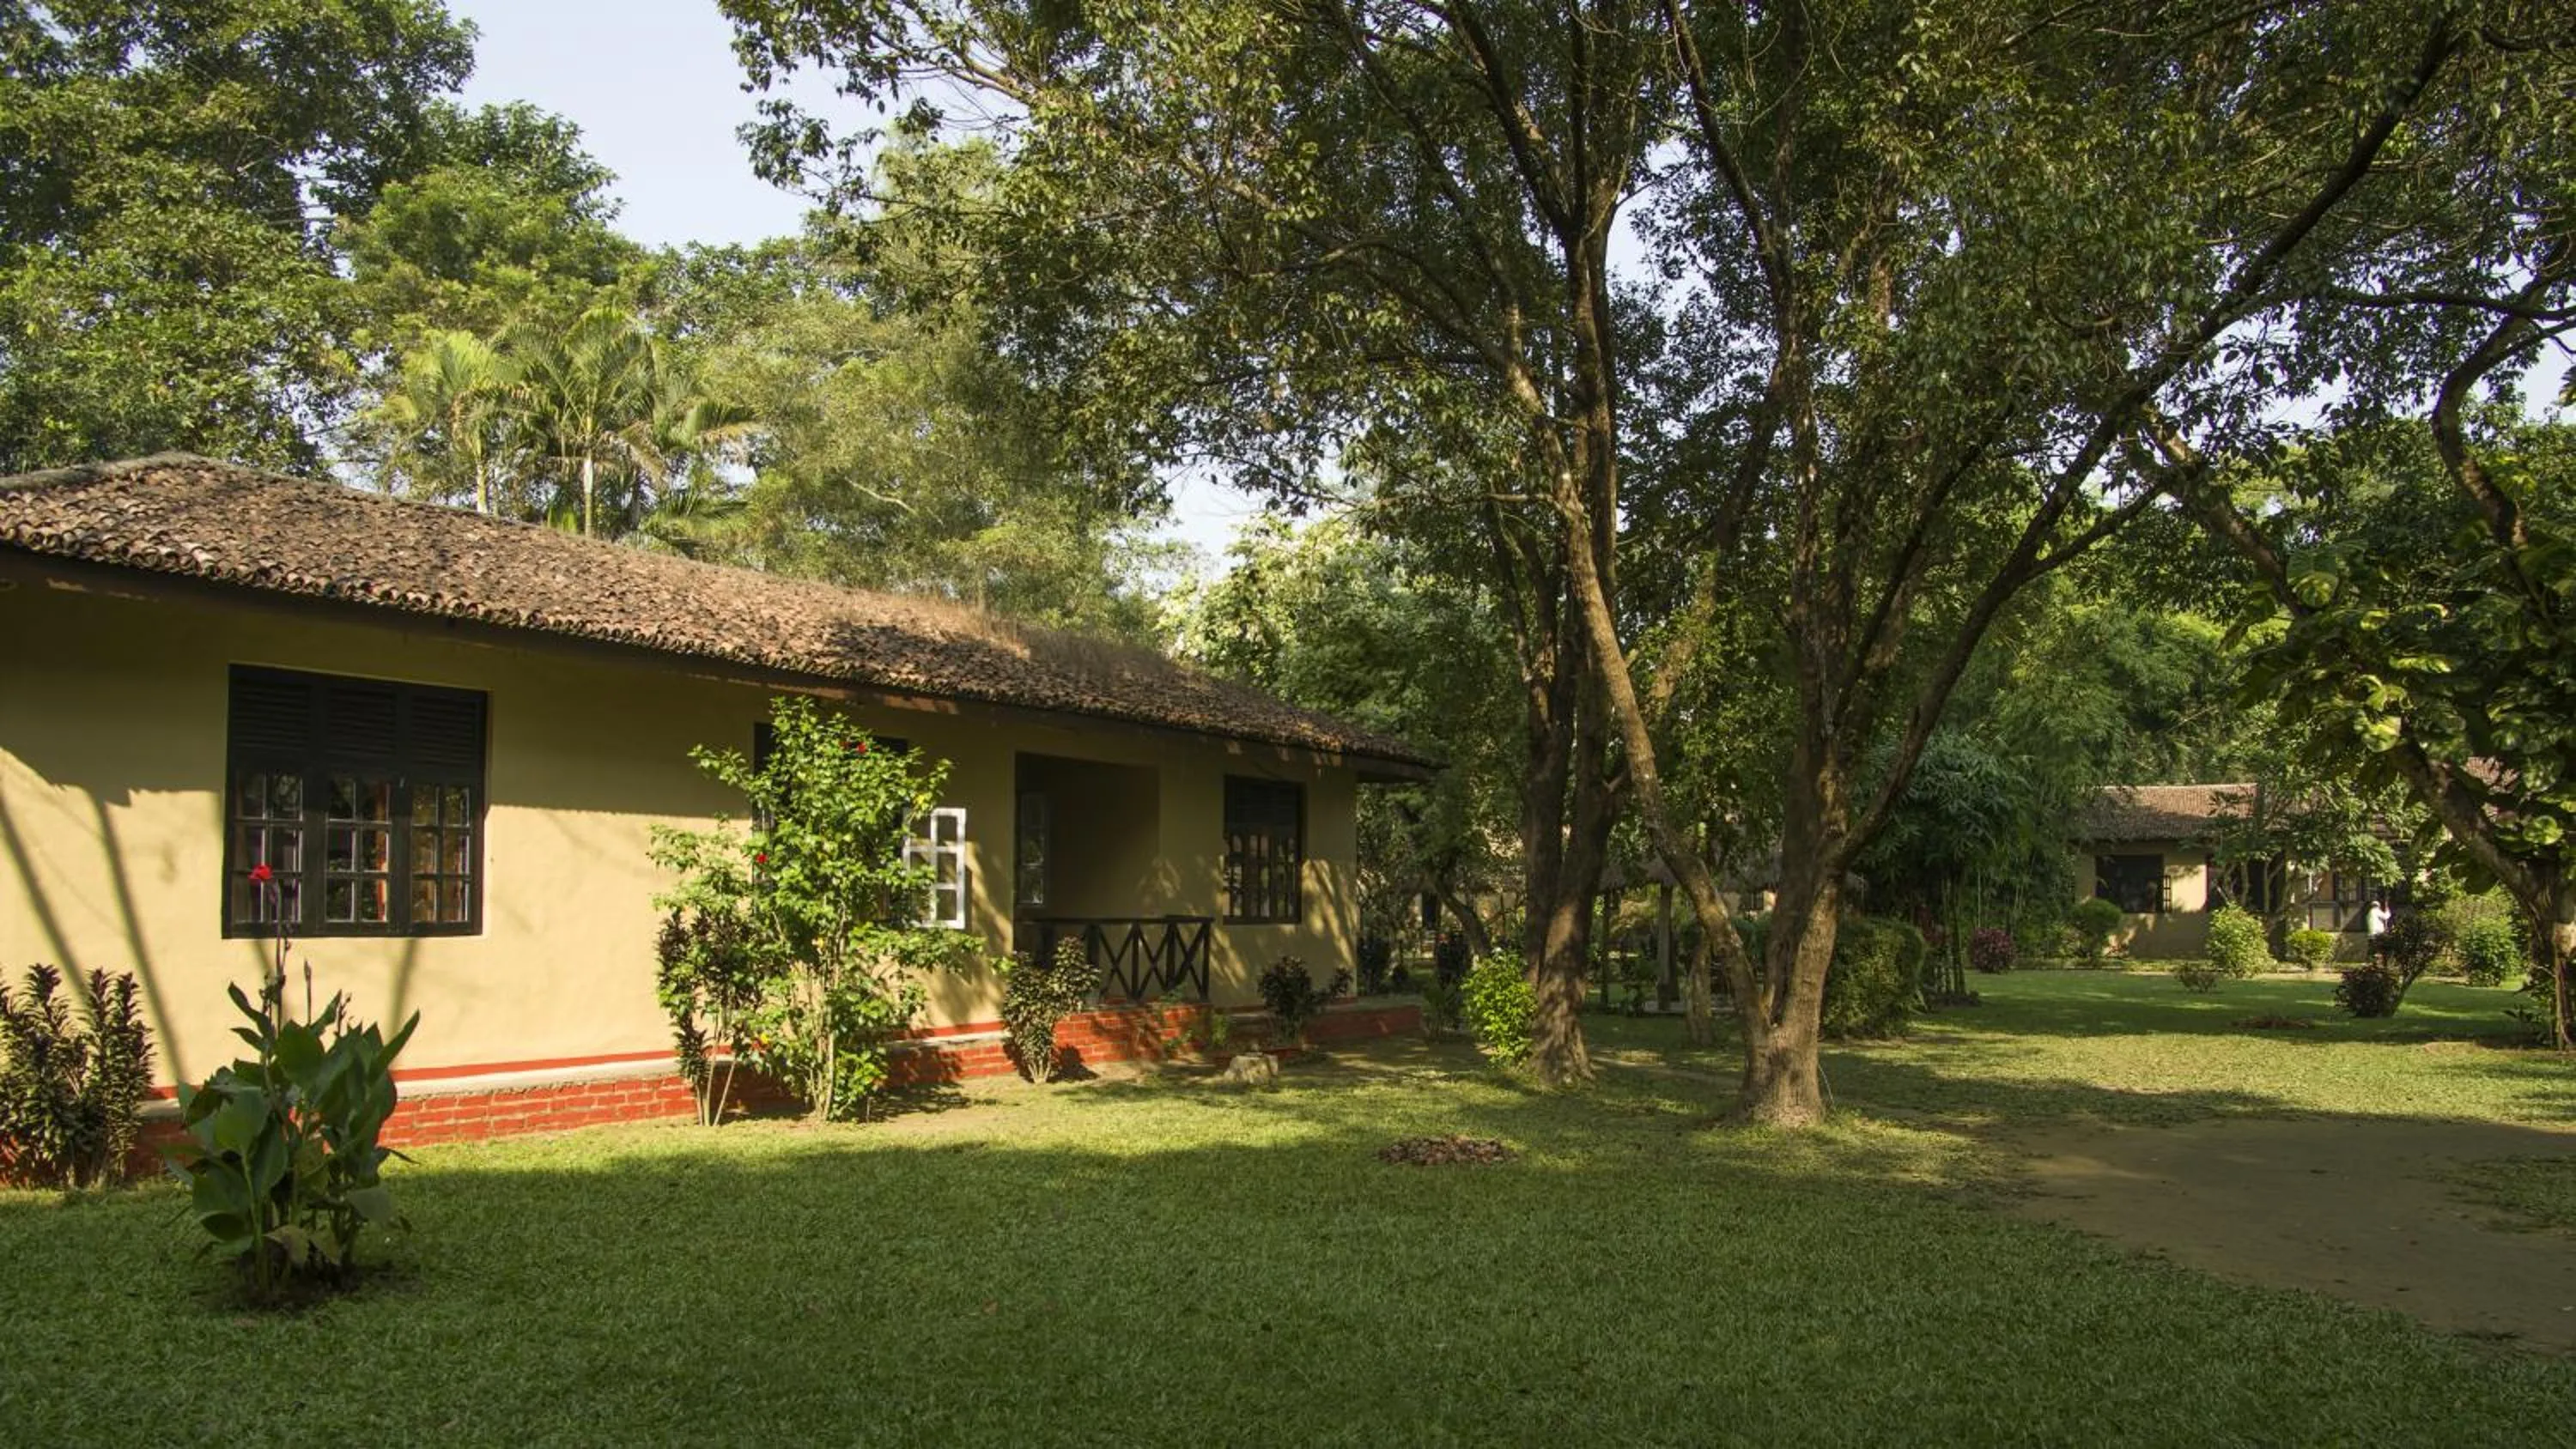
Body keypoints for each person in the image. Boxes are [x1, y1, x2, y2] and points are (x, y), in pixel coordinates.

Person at [2366, 898, 2393, 966]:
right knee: (2381, 949)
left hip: (2370, 934)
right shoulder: (2376, 911)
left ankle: (2372, 963)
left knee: (2372, 950)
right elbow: (2386, 917)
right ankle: (2381, 963)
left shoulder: (2368, 914)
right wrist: (2388, 911)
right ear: (2378, 906)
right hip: (2377, 934)